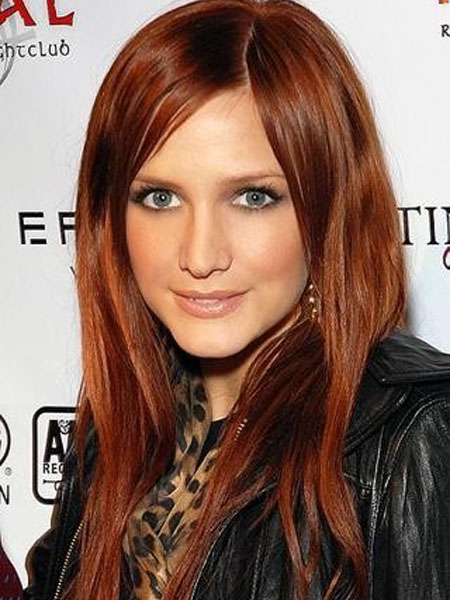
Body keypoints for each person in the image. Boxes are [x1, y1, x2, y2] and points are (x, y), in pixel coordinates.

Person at [23, 0, 450, 599]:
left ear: (327, 209)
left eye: (252, 197)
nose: (201, 255)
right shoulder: (121, 424)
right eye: (160, 198)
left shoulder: (413, 435)